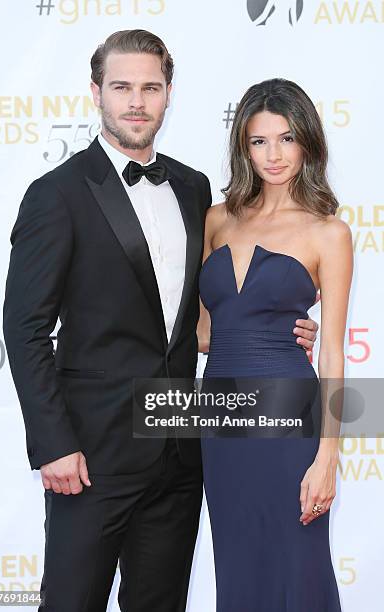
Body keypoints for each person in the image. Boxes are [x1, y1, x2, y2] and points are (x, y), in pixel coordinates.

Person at [3, 31, 318, 611]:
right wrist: (53, 444)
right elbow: (24, 329)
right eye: (121, 87)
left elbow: (211, 307)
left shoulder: (195, 189)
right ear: (96, 91)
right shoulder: (57, 195)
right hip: (90, 457)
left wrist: (282, 328)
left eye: (150, 87)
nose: (136, 102)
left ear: (169, 94)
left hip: (181, 451)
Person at [198, 78, 352, 611]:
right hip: (220, 422)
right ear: (243, 146)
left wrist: (328, 455)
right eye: (259, 141)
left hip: (290, 424)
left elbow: (332, 350)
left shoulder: (327, 232)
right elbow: (202, 332)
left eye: (286, 139)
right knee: (237, 566)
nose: (274, 154)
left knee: (297, 563)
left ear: (307, 141)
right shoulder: (217, 219)